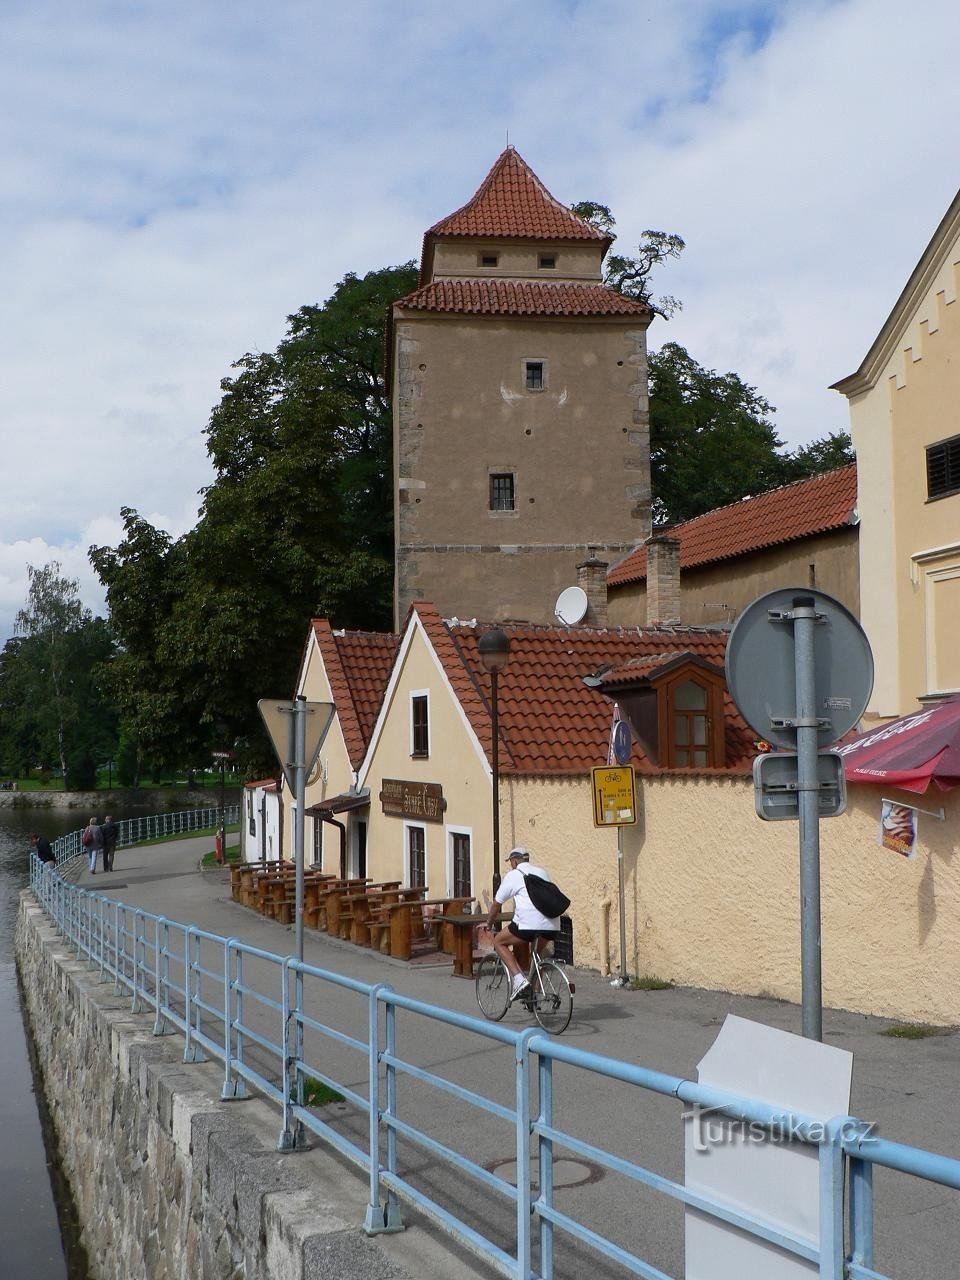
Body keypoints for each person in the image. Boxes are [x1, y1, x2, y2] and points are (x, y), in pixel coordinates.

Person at [483, 845, 561, 1001]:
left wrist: (489, 924)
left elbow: (496, 905)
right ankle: (536, 996)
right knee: (536, 955)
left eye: (510, 861)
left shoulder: (513, 875)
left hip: (527, 926)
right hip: (552, 925)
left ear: (514, 860)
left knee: (498, 941)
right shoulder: (542, 872)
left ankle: (519, 980)